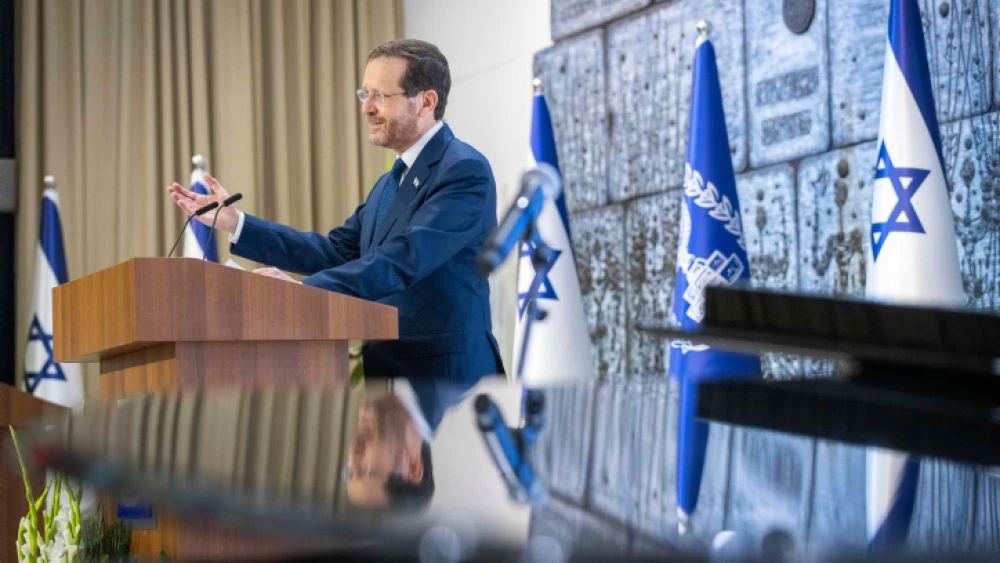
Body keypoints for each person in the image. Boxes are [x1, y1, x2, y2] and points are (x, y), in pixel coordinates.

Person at [168, 39, 505, 384]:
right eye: (364, 95)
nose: (366, 108)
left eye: (380, 96)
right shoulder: (388, 185)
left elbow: (405, 258)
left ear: (426, 102)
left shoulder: (463, 170)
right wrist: (237, 224)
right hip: (391, 377)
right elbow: (336, 252)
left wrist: (302, 293)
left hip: (451, 381)